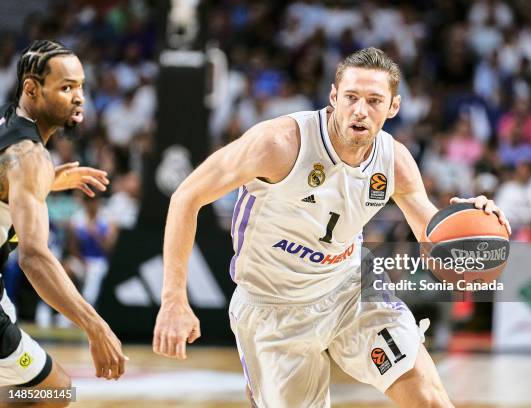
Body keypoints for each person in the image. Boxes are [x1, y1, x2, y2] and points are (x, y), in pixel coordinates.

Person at [153, 47, 510, 407]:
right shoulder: (279, 144)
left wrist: (471, 226)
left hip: (350, 289)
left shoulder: (395, 160)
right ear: (333, 97)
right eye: (351, 97)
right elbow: (186, 196)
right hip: (274, 307)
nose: (360, 110)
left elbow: (431, 236)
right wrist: (172, 299)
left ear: (393, 107)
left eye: (374, 100)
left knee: (430, 400)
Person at [0, 40, 127, 398]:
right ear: (31, 89)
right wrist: (95, 326)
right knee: (54, 391)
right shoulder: (29, 157)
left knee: (20, 389)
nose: (79, 97)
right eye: (66, 87)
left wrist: (49, 181)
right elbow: (34, 258)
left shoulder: (9, 123)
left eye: (81, 86)